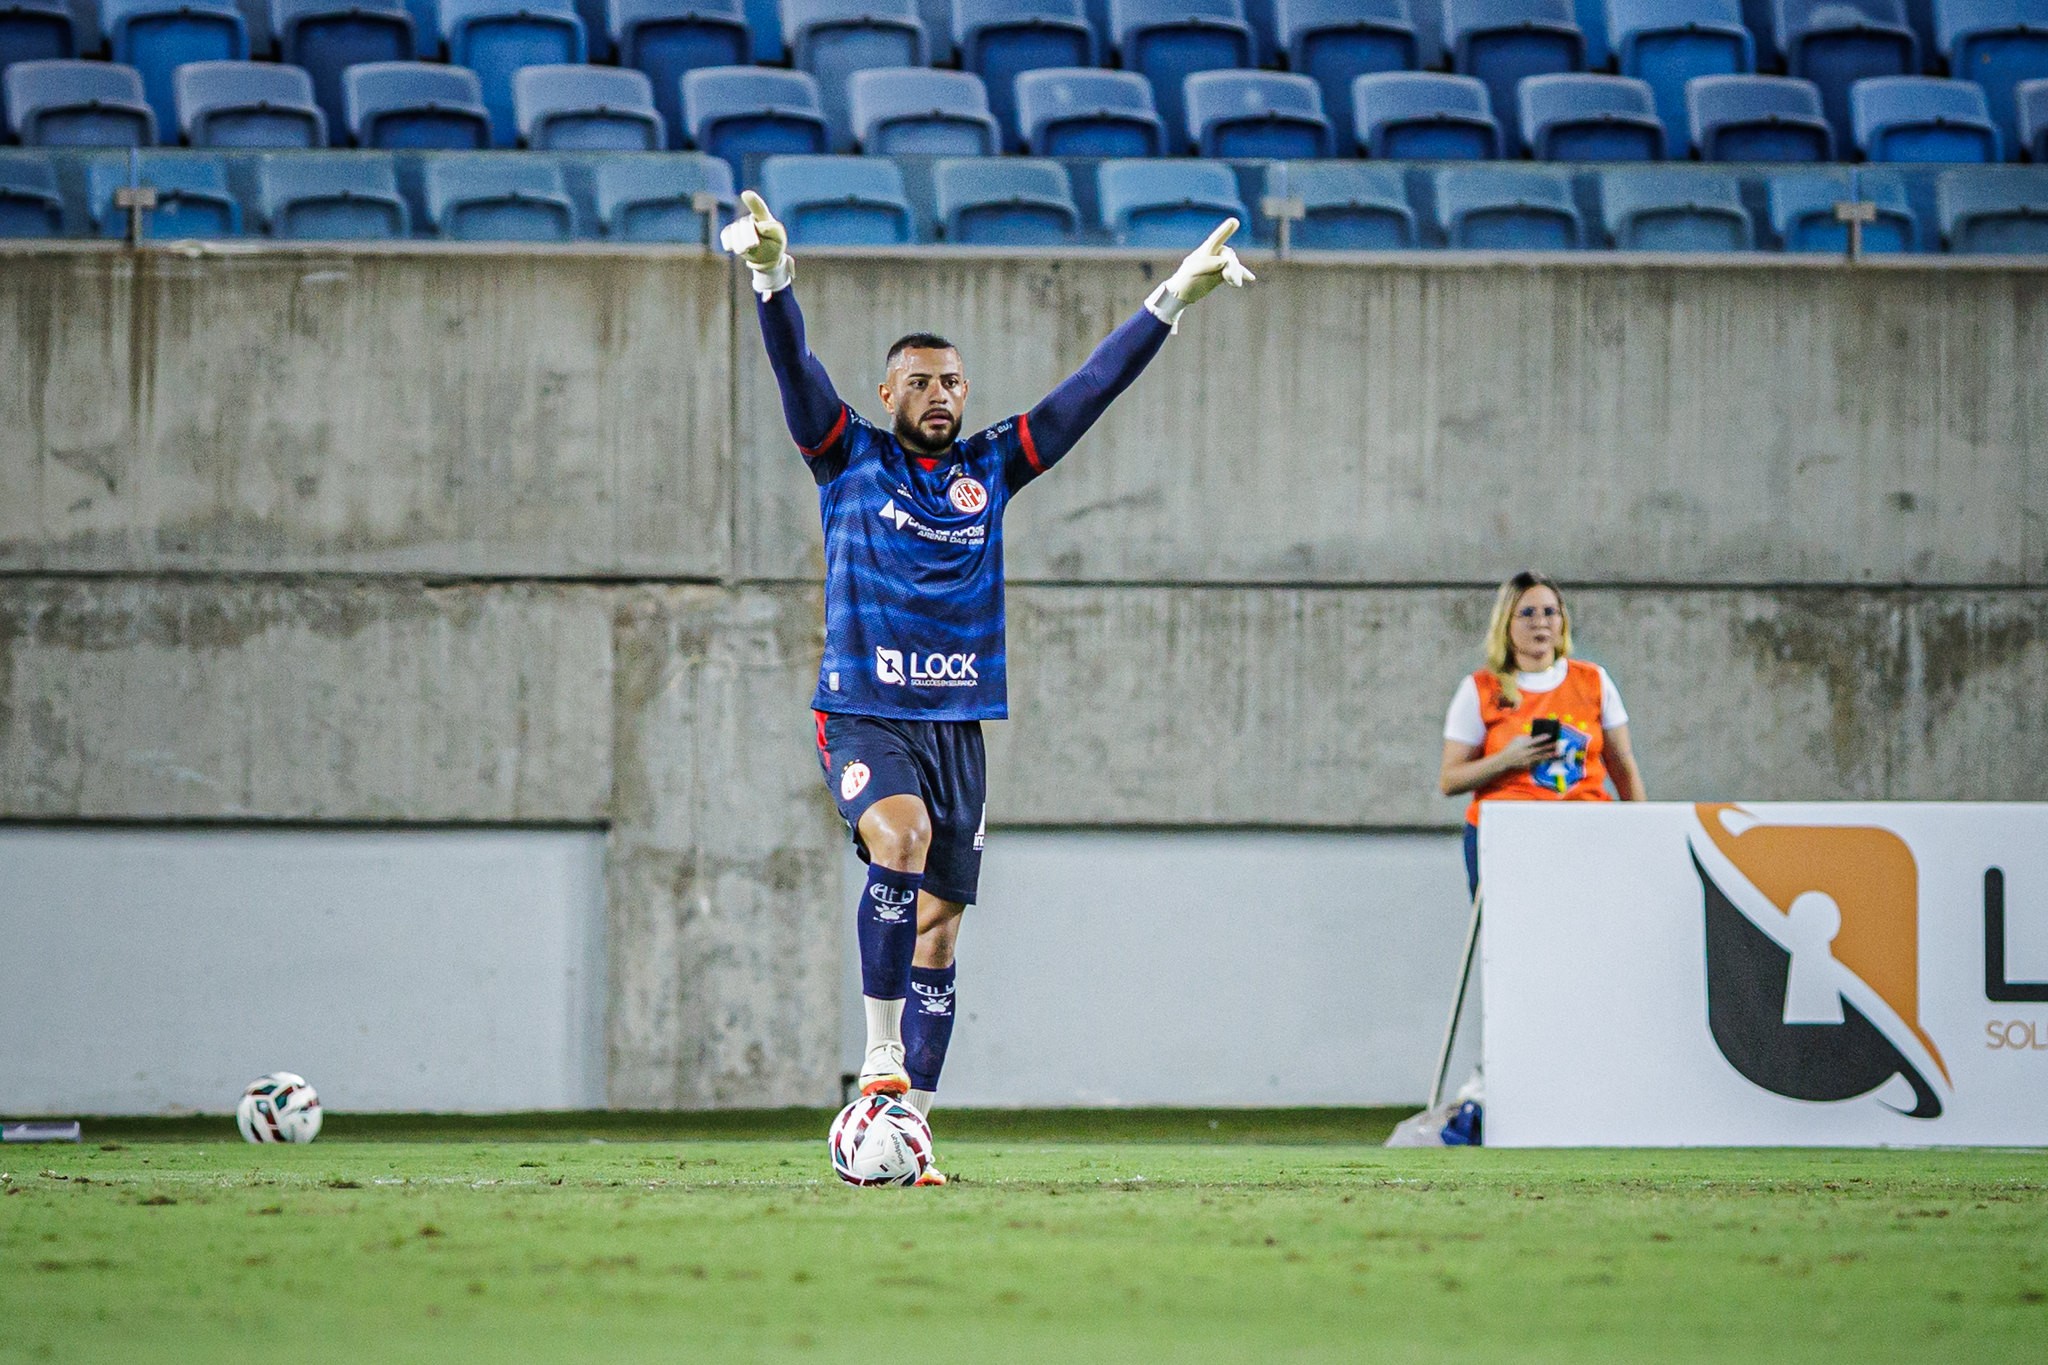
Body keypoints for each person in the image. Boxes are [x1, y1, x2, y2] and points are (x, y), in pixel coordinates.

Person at [722, 191, 1254, 1181]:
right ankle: (877, 1054)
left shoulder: (989, 467)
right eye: (920, 381)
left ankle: (911, 1130)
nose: (939, 394)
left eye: (952, 382)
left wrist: (1172, 297)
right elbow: (794, 370)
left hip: (958, 725)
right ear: (886, 394)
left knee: (942, 923)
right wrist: (770, 279)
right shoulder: (846, 457)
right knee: (899, 841)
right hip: (864, 710)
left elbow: (1084, 393)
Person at [1438, 571, 1647, 897]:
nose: (1541, 623)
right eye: (1527, 613)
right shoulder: (1481, 689)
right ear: (1506, 623)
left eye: (1550, 612)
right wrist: (1506, 760)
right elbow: (1450, 780)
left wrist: (1643, 832)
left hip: (1586, 829)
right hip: (1510, 833)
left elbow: (1622, 766)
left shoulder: (1593, 681)